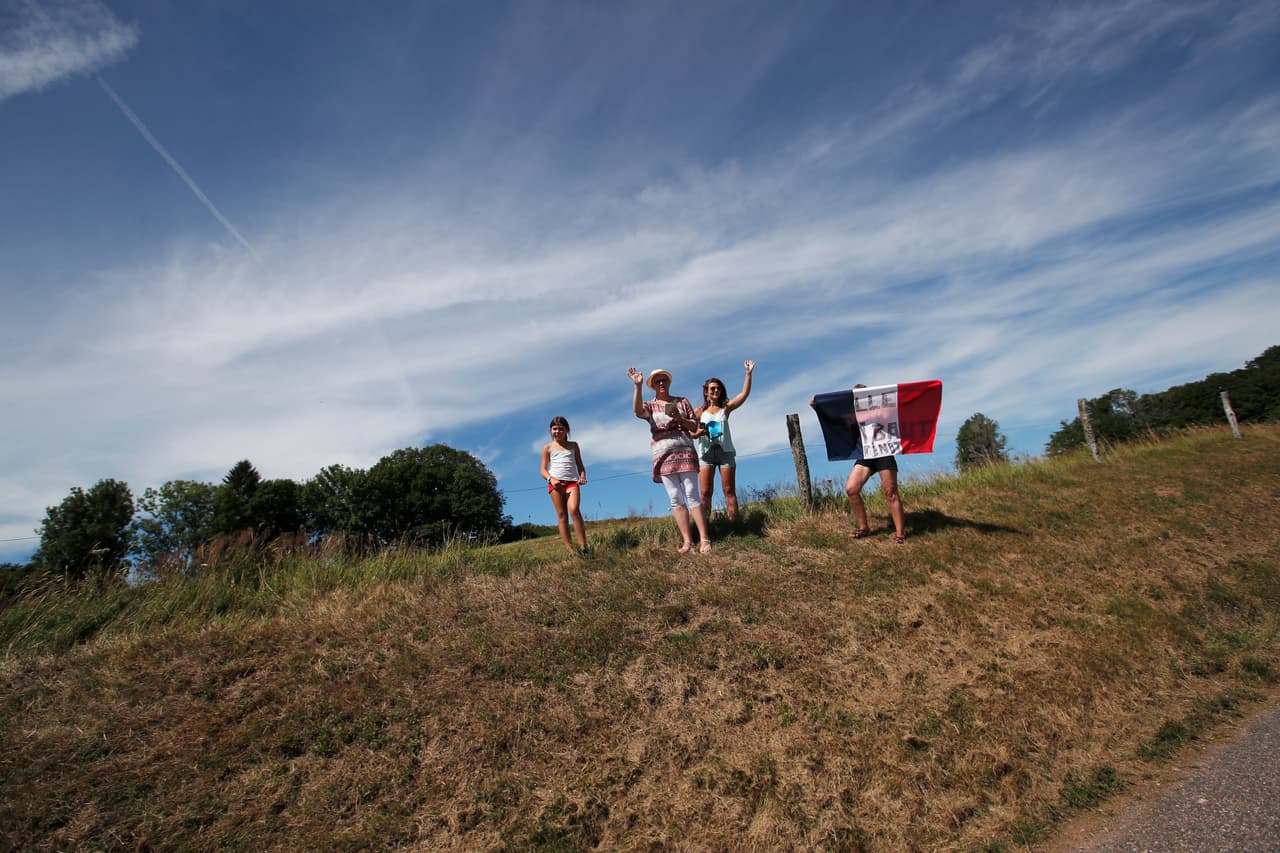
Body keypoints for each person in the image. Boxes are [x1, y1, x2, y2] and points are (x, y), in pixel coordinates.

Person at [627, 366, 712, 554]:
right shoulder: (650, 405)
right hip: (662, 455)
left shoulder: (682, 401)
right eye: (657, 381)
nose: (661, 383)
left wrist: (678, 419)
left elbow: (694, 425)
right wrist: (637, 386)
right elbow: (637, 411)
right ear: (653, 385)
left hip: (685, 450)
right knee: (675, 497)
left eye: (664, 380)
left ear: (669, 382)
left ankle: (705, 539)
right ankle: (687, 541)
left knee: (691, 492)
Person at [811, 385, 907, 544]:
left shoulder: (882, 409)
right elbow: (835, 421)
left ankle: (900, 534)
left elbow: (895, 409)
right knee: (851, 489)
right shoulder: (854, 416)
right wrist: (818, 408)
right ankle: (864, 528)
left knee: (891, 492)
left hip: (883, 452)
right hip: (866, 455)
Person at [694, 360, 755, 519]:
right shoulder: (699, 411)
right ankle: (706, 526)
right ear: (706, 392)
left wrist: (748, 374)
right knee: (705, 492)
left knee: (729, 490)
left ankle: (734, 524)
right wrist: (697, 434)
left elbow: (743, 395)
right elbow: (689, 430)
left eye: (718, 388)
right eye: (712, 388)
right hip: (706, 453)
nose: (715, 390)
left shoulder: (725, 408)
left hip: (725, 452)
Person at [540, 416, 588, 554]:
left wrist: (583, 476)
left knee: (574, 510)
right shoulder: (547, 448)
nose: (558, 431)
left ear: (567, 430)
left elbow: (580, 466)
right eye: (555, 429)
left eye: (561, 429)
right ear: (550, 430)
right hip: (556, 484)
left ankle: (584, 547)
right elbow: (542, 470)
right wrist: (551, 478)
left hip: (572, 482)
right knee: (562, 515)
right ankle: (571, 551)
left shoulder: (573, 445)